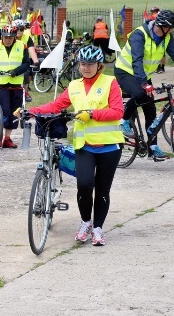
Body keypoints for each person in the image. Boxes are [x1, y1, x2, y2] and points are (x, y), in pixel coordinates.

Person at [17, 45, 123, 246]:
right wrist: (30, 111)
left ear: (99, 65)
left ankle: (98, 229)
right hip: (84, 145)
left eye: (91, 64)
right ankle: (85, 223)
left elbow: (117, 112)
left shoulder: (110, 83)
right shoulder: (74, 86)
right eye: (83, 64)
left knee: (102, 190)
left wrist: (92, 114)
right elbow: (55, 106)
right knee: (84, 185)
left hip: (109, 146)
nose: (86, 68)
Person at [115, 10, 174, 161]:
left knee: (150, 109)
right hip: (125, 71)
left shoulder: (166, 37)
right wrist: (144, 84)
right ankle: (123, 121)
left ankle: (153, 148)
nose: (172, 30)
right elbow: (137, 60)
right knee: (140, 94)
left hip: (143, 76)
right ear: (164, 26)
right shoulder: (139, 35)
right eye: (171, 27)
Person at [14, 19, 40, 102]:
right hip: (12, 59)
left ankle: (25, 92)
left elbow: (31, 49)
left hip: (24, 59)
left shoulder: (27, 37)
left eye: (21, 29)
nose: (19, 31)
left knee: (27, 72)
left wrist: (36, 62)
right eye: (17, 28)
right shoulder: (10, 36)